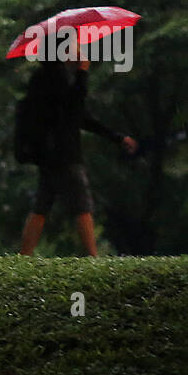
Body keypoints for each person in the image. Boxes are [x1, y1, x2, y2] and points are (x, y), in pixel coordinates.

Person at [19, 51, 137, 257]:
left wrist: (117, 138)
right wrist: (83, 72)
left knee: (41, 206)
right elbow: (75, 108)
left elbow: (82, 117)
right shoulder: (55, 79)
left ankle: (24, 256)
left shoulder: (44, 77)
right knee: (82, 205)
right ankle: (93, 257)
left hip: (48, 156)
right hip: (64, 155)